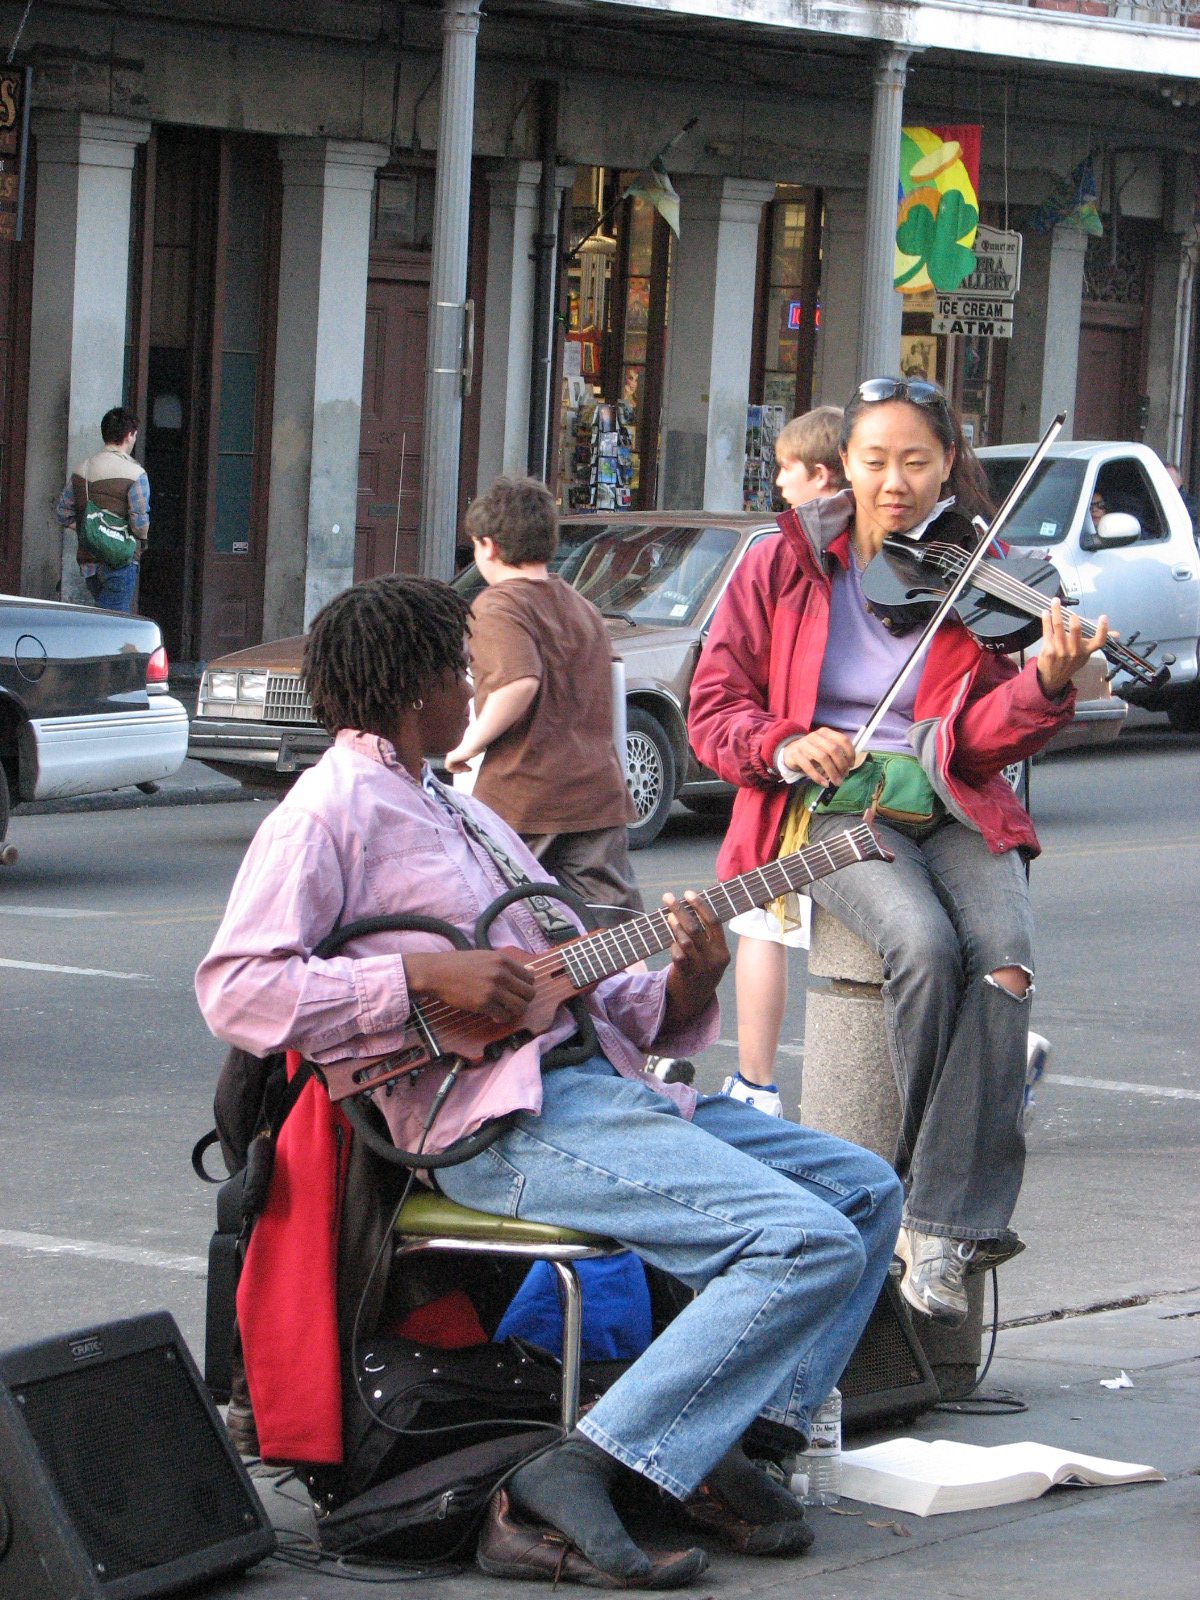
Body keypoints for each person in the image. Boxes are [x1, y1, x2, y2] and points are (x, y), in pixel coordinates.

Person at [195, 573, 903, 1588]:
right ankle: (595, 1462)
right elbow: (237, 988)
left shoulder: (460, 809)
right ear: (410, 692)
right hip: (498, 1120)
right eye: (460, 675)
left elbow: (572, 993)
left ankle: (723, 1451)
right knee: (799, 1238)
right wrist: (419, 974)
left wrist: (687, 977)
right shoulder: (329, 810)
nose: (472, 695)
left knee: (863, 1192)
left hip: (595, 1083)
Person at [688, 377, 1108, 1328]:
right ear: (845, 465)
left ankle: (934, 1222)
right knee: (919, 947)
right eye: (874, 461)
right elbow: (716, 712)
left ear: (947, 464)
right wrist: (785, 744)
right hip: (833, 808)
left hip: (951, 795)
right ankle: (946, 1210)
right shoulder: (781, 563)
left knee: (1001, 963)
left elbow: (988, 738)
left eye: (917, 461)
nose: (894, 483)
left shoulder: (977, 565)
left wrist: (1045, 681)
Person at [723, 406, 847, 1117]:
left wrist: (781, 740)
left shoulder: (778, 555)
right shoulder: (777, 556)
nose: (777, 482)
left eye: (784, 470)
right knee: (759, 919)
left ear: (820, 475)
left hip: (804, 787)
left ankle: (756, 1084)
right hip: (790, 762)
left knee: (760, 924)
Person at [445, 476, 642, 914]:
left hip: (525, 797)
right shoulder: (581, 605)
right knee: (615, 929)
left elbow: (519, 683)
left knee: (502, 920)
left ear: (488, 546)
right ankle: (642, 987)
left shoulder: (497, 606)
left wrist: (467, 746)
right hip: (597, 793)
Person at [55, 407, 149, 612]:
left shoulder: (82, 469)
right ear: (129, 435)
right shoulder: (136, 473)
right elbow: (139, 522)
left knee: (102, 616)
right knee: (111, 626)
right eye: (134, 435)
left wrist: (87, 528)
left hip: (90, 564)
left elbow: (62, 513)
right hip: (120, 562)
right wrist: (141, 541)